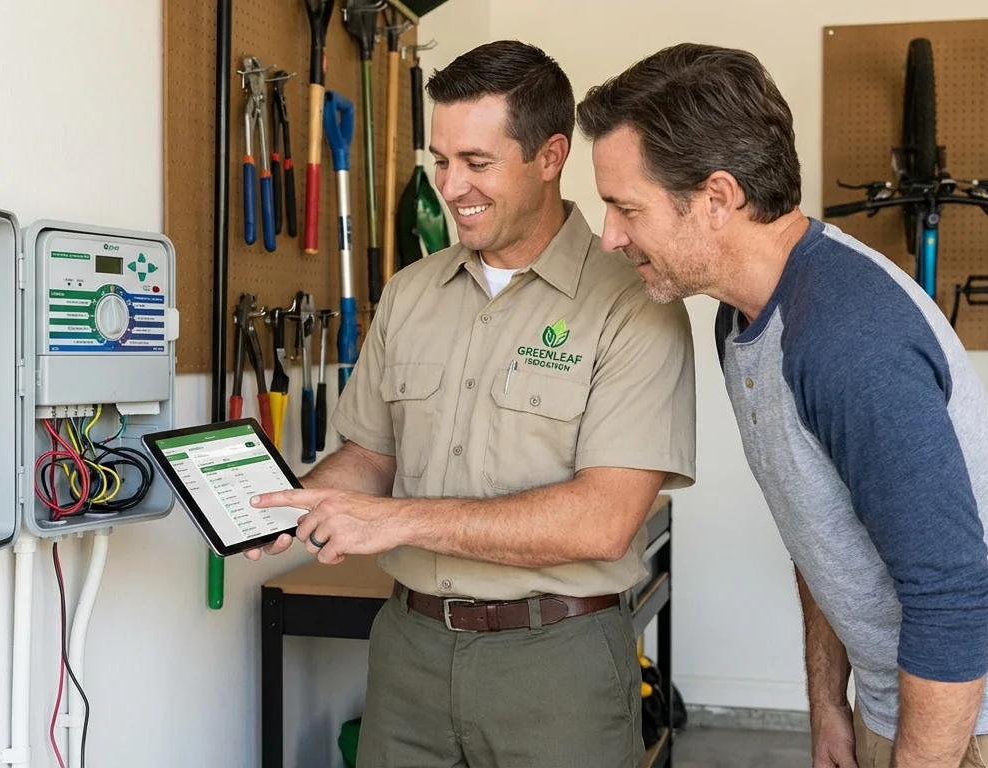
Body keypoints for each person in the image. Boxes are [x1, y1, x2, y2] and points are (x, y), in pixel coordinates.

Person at [576, 43, 988, 768]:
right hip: (903, 699)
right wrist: (830, 704)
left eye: (626, 207)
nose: (610, 235)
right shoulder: (743, 319)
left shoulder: (848, 340)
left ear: (717, 199)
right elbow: (819, 530)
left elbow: (953, 598)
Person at [247, 40, 696, 768]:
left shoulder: (633, 302)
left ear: (550, 156)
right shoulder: (410, 292)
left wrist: (393, 520)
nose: (452, 188)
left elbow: (604, 520)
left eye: (477, 162)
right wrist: (294, 502)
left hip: (556, 666)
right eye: (441, 161)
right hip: (409, 653)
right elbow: (370, 456)